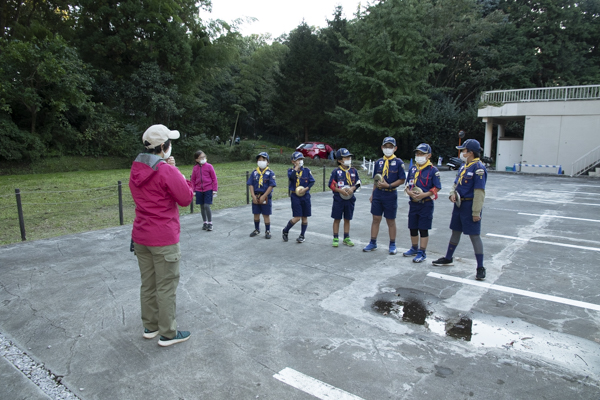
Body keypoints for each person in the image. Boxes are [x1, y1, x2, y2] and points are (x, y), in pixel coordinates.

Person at [129, 124, 193, 347]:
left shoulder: (137, 167)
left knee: (148, 284)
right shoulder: (167, 170)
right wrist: (179, 174)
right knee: (166, 286)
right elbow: (185, 198)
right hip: (163, 237)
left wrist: (168, 168)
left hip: (141, 235)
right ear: (164, 147)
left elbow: (153, 183)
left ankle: (150, 326)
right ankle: (168, 333)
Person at [432, 139, 488, 281]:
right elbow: (456, 183)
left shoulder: (478, 168)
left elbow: (479, 192)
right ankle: (448, 257)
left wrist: (476, 212)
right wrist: (452, 194)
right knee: (455, 231)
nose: (462, 153)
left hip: (470, 206)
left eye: (463, 150)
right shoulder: (464, 166)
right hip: (459, 205)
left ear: (470, 152)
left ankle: (480, 267)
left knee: (474, 235)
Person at [363, 137, 406, 254]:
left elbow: (402, 179)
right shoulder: (378, 162)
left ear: (395, 148)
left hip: (390, 194)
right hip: (378, 194)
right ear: (382, 148)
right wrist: (372, 194)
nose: (388, 149)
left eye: (390, 147)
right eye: (386, 147)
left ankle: (392, 244)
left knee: (390, 220)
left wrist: (389, 185)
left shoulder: (398, 163)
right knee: (375, 218)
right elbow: (376, 180)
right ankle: (372, 242)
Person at [402, 143, 442, 263]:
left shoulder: (432, 170)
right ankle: (414, 248)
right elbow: (407, 185)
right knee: (412, 227)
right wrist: (409, 192)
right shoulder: (413, 169)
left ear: (428, 155)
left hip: (426, 204)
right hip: (413, 203)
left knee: (423, 228)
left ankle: (422, 252)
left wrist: (425, 194)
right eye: (417, 154)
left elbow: (437, 187)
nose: (419, 156)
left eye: (422, 154)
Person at [328, 148, 360, 247]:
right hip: (339, 199)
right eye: (345, 157)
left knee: (347, 219)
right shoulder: (336, 172)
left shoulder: (353, 170)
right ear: (339, 160)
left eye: (349, 157)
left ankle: (346, 237)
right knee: (337, 219)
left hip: (350, 199)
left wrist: (353, 188)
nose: (348, 159)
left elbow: (358, 183)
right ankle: (336, 237)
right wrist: (340, 190)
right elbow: (331, 185)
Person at [282, 151, 315, 243]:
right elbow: (291, 178)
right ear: (293, 161)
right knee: (297, 217)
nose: (300, 161)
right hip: (295, 196)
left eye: (301, 159)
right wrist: (296, 168)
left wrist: (305, 189)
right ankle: (285, 230)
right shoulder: (290, 171)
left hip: (305, 195)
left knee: (305, 217)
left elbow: (312, 181)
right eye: (298, 160)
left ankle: (302, 235)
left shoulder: (307, 171)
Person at [247, 152, 276, 239]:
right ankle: (257, 229)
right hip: (256, 196)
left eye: (263, 160)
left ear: (268, 162)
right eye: (259, 160)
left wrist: (264, 196)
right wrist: (252, 195)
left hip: (265, 196)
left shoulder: (270, 173)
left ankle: (267, 230)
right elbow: (251, 184)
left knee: (266, 214)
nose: (261, 162)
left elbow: (271, 185)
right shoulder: (254, 172)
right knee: (256, 213)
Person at [190, 150, 218, 231]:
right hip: (199, 190)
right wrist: (193, 190)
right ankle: (204, 222)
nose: (203, 158)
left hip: (208, 189)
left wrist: (214, 189)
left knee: (206, 205)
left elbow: (214, 178)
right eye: (201, 157)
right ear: (197, 160)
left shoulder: (209, 166)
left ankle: (210, 223)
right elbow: (193, 180)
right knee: (202, 207)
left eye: (204, 157)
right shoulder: (195, 168)